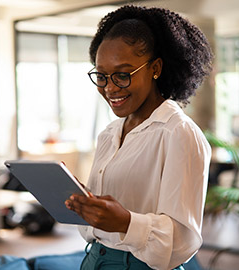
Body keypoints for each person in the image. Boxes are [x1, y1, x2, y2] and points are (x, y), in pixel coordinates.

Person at [65, 5, 213, 270]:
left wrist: (126, 223)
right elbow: (97, 227)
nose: (109, 88)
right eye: (101, 76)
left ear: (155, 68)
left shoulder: (178, 133)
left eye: (122, 75)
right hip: (94, 260)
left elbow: (182, 242)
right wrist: (86, 203)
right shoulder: (109, 134)